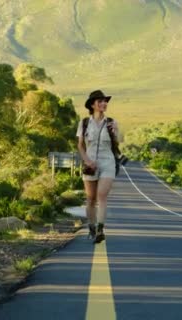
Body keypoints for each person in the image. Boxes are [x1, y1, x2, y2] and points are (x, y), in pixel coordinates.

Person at [76, 90, 119, 244]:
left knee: (102, 195)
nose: (104, 104)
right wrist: (87, 160)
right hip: (90, 163)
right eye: (100, 101)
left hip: (108, 162)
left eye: (105, 101)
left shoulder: (112, 122)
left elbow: (117, 143)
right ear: (92, 105)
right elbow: (80, 145)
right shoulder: (84, 123)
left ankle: (100, 230)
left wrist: (115, 132)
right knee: (91, 198)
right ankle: (92, 227)